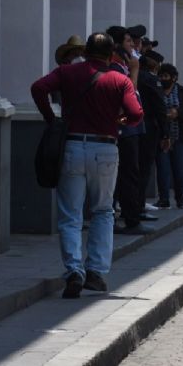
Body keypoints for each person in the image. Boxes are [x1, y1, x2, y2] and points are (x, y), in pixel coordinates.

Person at [31, 33, 144, 298]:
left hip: (71, 146)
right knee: (103, 211)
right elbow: (137, 114)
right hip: (105, 147)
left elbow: (38, 88)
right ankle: (96, 272)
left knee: (70, 215)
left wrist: (52, 118)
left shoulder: (67, 72)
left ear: (87, 51)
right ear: (110, 55)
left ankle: (73, 271)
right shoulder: (120, 80)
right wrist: (119, 122)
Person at [106, 26, 151, 234]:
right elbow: (128, 96)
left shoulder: (122, 67)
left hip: (132, 128)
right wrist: (134, 69)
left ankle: (130, 215)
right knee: (126, 174)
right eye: (128, 42)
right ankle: (128, 218)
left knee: (131, 172)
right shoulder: (115, 69)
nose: (133, 45)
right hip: (124, 130)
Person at [156, 63, 183, 209]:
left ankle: (180, 199)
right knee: (163, 168)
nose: (163, 79)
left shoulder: (181, 91)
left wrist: (178, 113)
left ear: (173, 78)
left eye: (166, 76)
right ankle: (164, 199)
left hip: (179, 136)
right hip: (161, 136)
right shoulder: (157, 91)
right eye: (161, 76)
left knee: (179, 169)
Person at [136, 49, 169, 220]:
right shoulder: (150, 79)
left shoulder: (133, 75)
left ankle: (132, 205)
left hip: (130, 126)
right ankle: (138, 207)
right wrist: (166, 134)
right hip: (148, 127)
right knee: (143, 168)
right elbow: (159, 107)